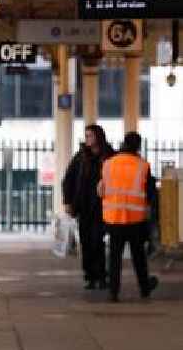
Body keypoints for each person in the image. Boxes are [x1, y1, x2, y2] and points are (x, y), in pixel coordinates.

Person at [97, 131, 159, 303]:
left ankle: (113, 292)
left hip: (113, 217)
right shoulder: (143, 166)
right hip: (135, 219)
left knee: (114, 256)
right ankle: (144, 288)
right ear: (138, 146)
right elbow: (150, 193)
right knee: (138, 256)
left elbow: (101, 189)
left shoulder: (108, 164)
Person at [62, 125, 115, 290]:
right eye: (86, 136)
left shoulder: (109, 156)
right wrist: (68, 202)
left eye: (90, 135)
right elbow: (68, 179)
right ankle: (90, 276)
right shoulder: (81, 157)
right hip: (84, 206)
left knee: (97, 241)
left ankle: (101, 275)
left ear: (99, 136)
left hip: (102, 206)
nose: (88, 139)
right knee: (86, 242)